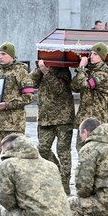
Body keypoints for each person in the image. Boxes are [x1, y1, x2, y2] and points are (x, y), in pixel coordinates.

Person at [0, 42, 34, 189]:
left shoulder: (21, 71)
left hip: (14, 124)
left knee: (14, 158)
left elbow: (28, 96)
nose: (0, 57)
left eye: (4, 54)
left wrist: (8, 104)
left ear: (12, 55)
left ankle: (16, 189)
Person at [30, 60, 76, 194]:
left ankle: (65, 184)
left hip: (63, 118)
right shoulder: (40, 68)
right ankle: (57, 171)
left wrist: (47, 72)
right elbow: (29, 83)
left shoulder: (63, 69)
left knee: (63, 152)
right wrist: (39, 69)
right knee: (42, 149)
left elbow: (59, 89)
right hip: (45, 118)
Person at [71, 42, 108, 149]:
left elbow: (86, 85)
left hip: (97, 118)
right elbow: (75, 87)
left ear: (102, 57)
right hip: (85, 116)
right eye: (91, 54)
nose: (91, 56)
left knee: (95, 149)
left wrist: (81, 68)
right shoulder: (88, 70)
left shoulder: (103, 73)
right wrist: (82, 70)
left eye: (95, 54)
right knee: (80, 147)